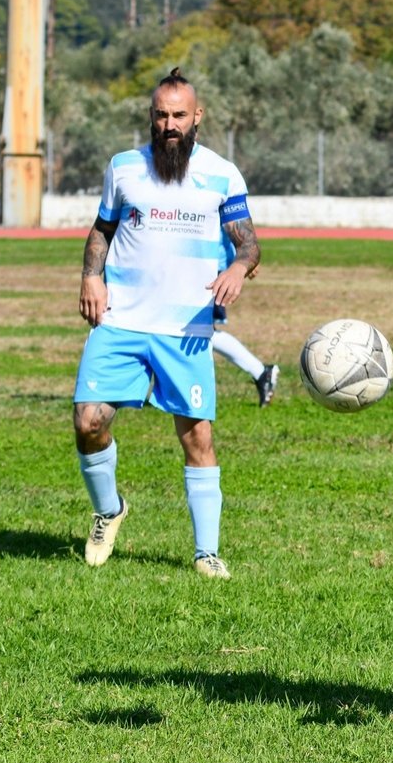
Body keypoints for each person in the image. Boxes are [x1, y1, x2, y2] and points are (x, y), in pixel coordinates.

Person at [74, 67, 261, 579]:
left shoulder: (223, 174)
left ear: (197, 117)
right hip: (121, 320)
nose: (170, 124)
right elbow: (102, 227)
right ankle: (109, 510)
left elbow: (248, 242)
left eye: (179, 115)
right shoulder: (124, 168)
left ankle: (206, 553)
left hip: (187, 328)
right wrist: (91, 277)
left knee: (197, 438)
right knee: (88, 423)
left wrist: (239, 268)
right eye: (161, 115)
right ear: (151, 117)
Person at [212, 230, 279, 407]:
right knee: (192, 330)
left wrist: (244, 256)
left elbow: (230, 216)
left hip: (211, 262)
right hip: (190, 262)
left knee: (199, 331)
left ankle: (261, 372)